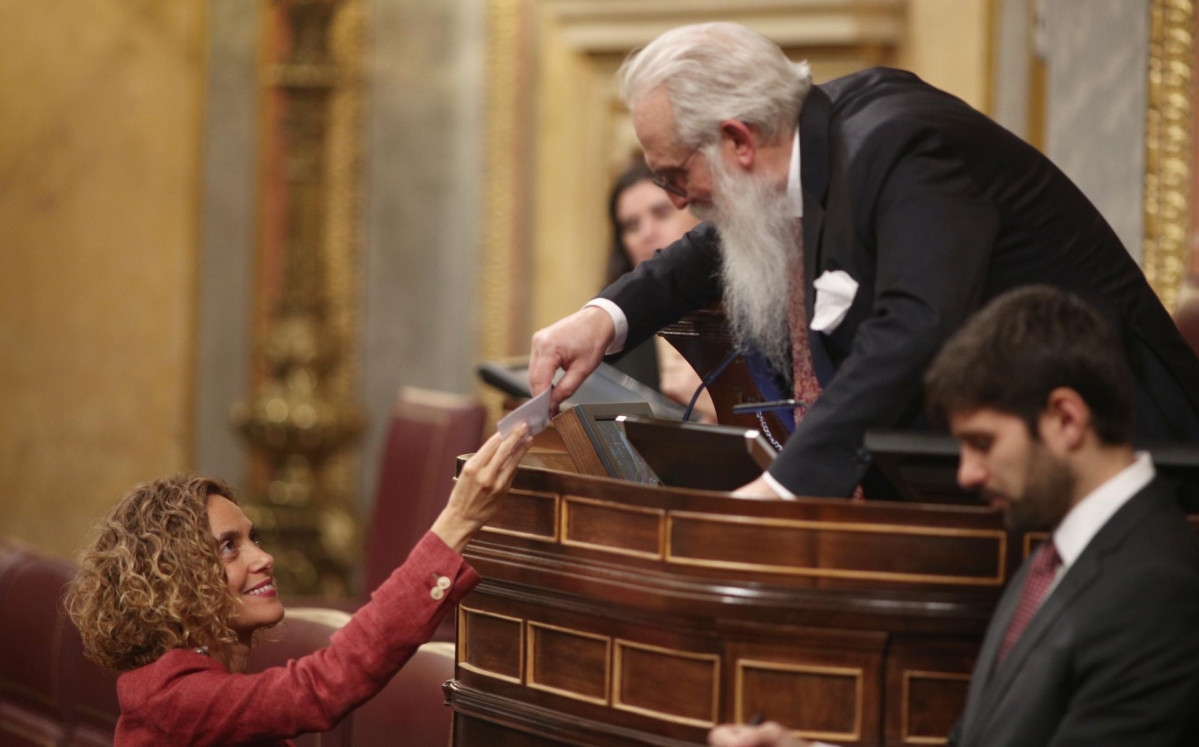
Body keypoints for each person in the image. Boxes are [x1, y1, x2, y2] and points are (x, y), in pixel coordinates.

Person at [528, 21, 1199, 500]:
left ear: (736, 139)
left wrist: (786, 485)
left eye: (674, 177)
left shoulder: (899, 145)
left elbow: (914, 327)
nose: (677, 201)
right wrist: (603, 318)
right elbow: (708, 246)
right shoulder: (803, 144)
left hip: (1134, 469)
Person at [707, 287, 1199, 746]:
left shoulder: (1158, 587)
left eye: (983, 444)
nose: (967, 474)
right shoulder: (1055, 558)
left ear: (1066, 419)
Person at [66, 426, 532, 745]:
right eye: (229, 547)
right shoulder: (168, 698)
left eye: (254, 539)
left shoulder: (200, 684)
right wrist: (456, 523)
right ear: (171, 582)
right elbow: (322, 687)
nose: (264, 558)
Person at [605, 162, 716, 421]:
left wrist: (719, 409)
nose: (647, 234)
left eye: (662, 213)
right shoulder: (614, 339)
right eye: (632, 226)